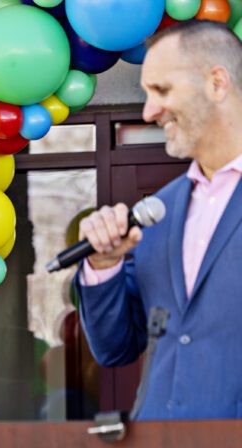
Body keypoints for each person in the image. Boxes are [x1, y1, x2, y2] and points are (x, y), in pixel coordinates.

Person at [75, 20, 242, 419]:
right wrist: (103, 266)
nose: (149, 111)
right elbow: (116, 347)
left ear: (217, 83)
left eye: (161, 90)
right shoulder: (159, 212)